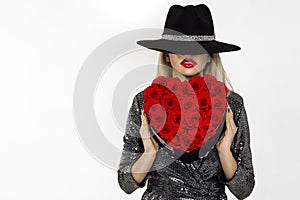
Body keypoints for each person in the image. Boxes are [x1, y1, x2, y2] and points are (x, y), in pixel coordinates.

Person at [118, 4, 255, 200]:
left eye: (197, 49)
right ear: (167, 54)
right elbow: (126, 183)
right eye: (179, 49)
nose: (188, 55)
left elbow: (244, 189)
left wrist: (224, 150)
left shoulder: (230, 104)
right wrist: (149, 153)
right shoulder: (144, 101)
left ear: (209, 56)